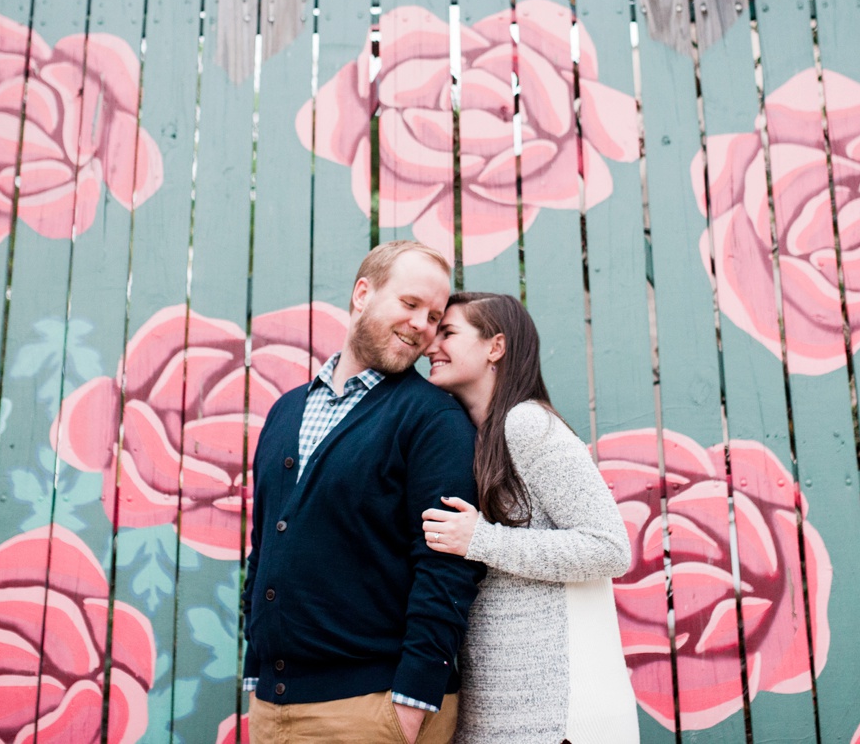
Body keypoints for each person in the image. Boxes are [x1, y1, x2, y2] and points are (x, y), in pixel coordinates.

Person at [243, 241, 486, 744]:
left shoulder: (432, 419)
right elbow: (263, 546)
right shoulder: (285, 412)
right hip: (272, 706)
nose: (422, 324)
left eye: (435, 316)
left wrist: (413, 703)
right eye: (410, 304)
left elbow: (447, 566)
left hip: (373, 709)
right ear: (362, 294)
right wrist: (255, 671)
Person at [421, 291, 640, 744]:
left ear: (494, 347)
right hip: (500, 714)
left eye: (448, 332)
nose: (429, 346)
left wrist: (482, 541)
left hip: (558, 717)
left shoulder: (527, 424)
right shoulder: (474, 437)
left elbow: (610, 548)